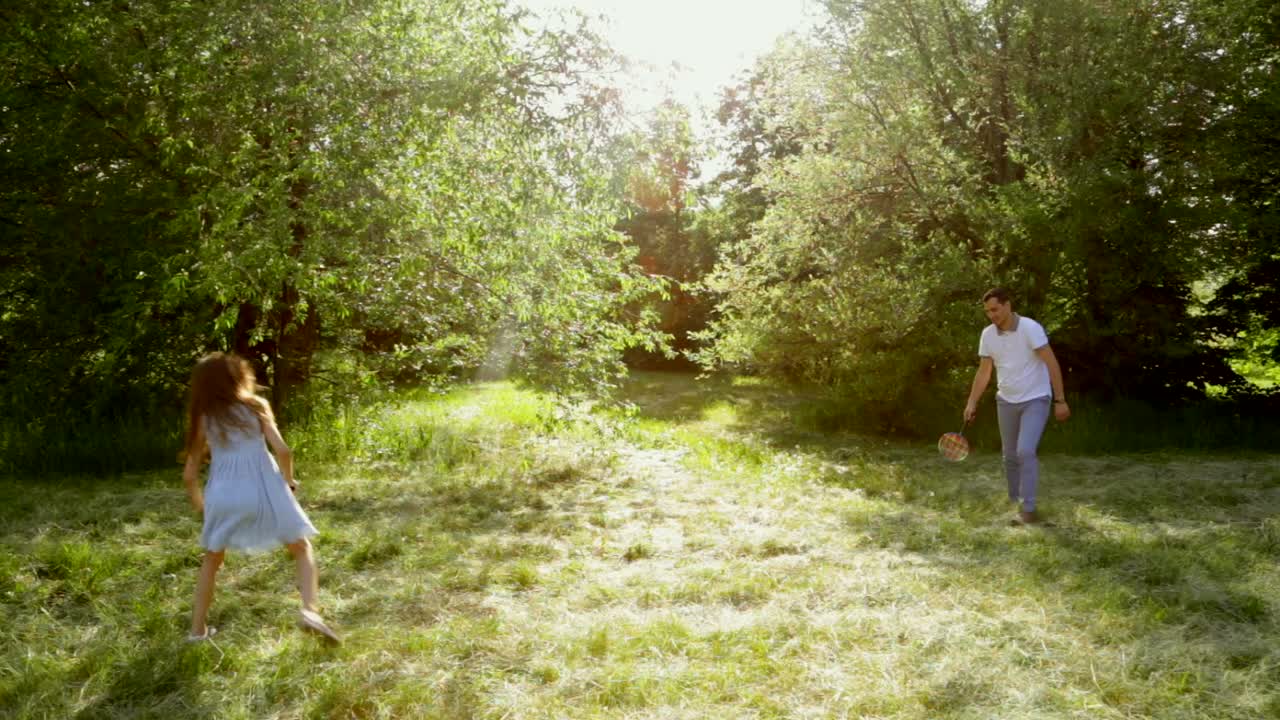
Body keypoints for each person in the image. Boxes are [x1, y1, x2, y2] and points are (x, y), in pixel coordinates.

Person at [182, 352, 340, 642]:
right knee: (301, 548)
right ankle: (310, 611)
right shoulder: (256, 407)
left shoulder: (205, 417)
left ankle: (197, 631)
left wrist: (201, 505)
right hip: (264, 488)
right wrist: (289, 481)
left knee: (212, 559)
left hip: (223, 494)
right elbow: (283, 450)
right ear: (237, 378)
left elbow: (190, 475)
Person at [963, 288, 1070, 525]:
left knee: (1025, 451)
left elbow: (1051, 363)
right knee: (1009, 455)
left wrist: (1060, 400)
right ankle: (1015, 501)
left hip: (1036, 398)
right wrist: (972, 402)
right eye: (988, 311)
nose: (992, 315)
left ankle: (1028, 509)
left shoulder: (1030, 328)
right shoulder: (988, 335)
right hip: (1006, 401)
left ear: (1008, 305)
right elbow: (984, 372)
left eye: (995, 309)